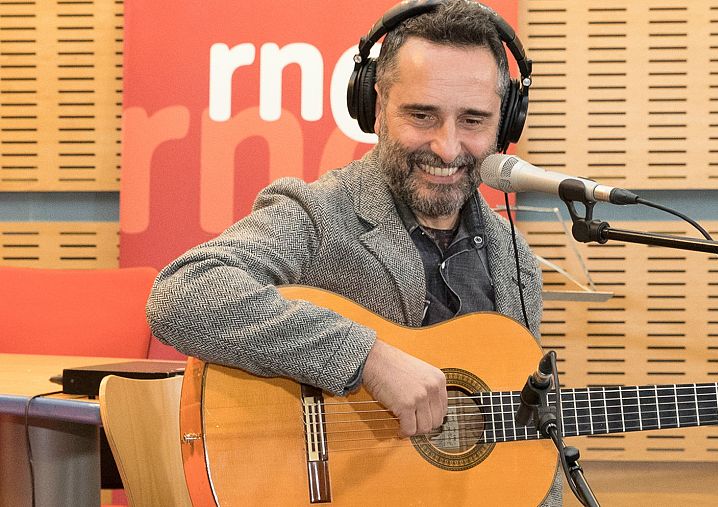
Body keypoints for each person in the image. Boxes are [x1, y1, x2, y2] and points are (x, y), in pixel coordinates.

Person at [147, 1, 561, 505]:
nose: (448, 147)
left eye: (473, 120)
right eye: (422, 115)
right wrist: (366, 358)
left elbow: (528, 444)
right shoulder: (319, 212)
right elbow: (182, 294)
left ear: (506, 123)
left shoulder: (516, 263)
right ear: (377, 105)